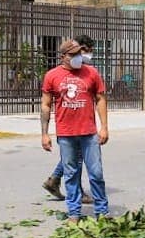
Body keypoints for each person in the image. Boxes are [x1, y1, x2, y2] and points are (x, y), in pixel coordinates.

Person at [41, 38, 109, 221]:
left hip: (89, 133)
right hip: (66, 134)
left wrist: (104, 127)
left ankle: (102, 212)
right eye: (73, 54)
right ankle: (74, 213)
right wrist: (44, 133)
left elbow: (100, 99)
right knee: (71, 174)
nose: (78, 57)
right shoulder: (52, 76)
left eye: (80, 53)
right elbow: (46, 105)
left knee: (96, 173)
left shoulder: (92, 73)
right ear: (63, 57)